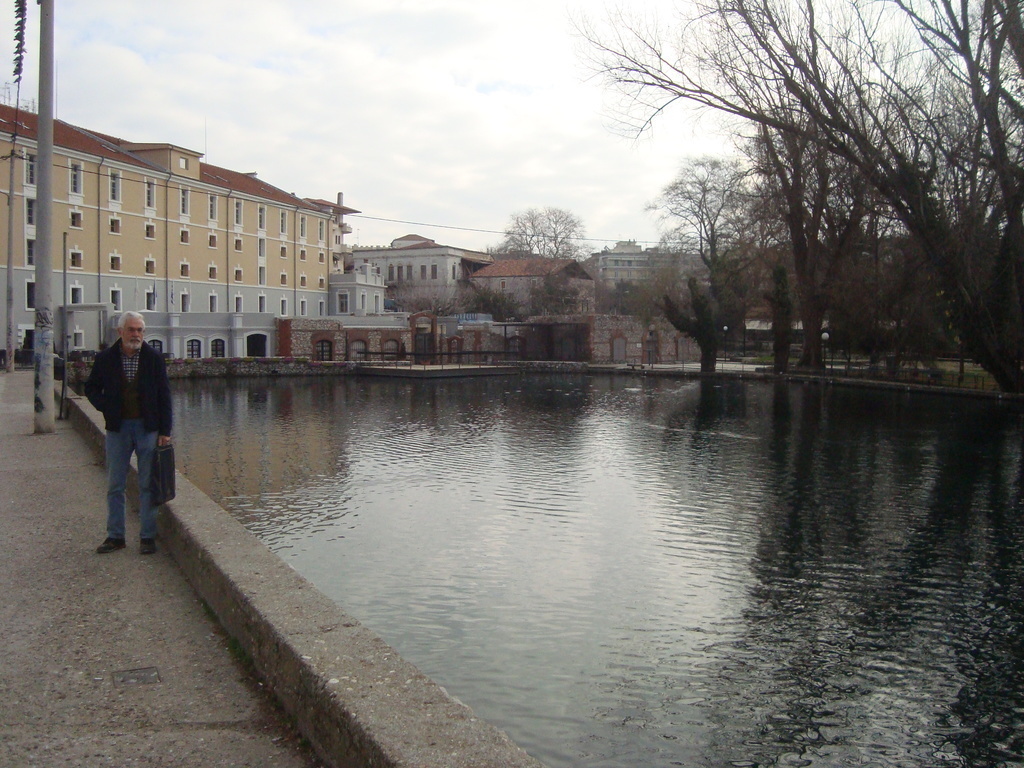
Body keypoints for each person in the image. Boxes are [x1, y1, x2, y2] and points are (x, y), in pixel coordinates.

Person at [84, 311, 172, 555]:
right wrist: (106, 406)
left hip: (147, 428)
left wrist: (165, 430)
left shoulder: (153, 358)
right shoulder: (106, 359)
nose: (136, 334)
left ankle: (147, 537)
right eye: (132, 330)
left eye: (140, 330)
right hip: (118, 429)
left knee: (147, 485)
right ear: (120, 331)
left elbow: (164, 395)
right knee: (115, 485)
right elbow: (90, 387)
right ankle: (115, 536)